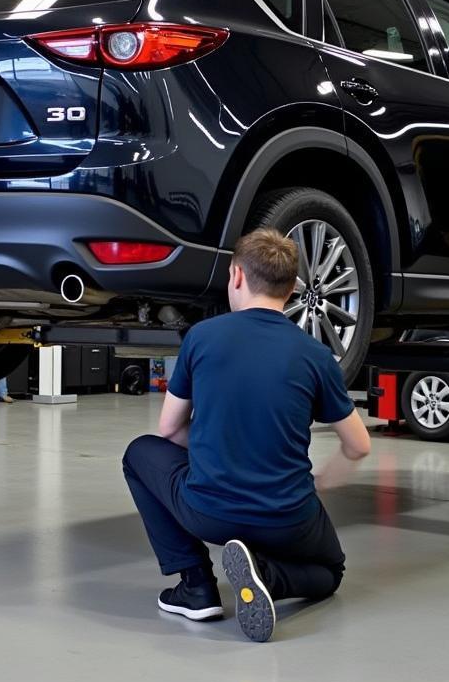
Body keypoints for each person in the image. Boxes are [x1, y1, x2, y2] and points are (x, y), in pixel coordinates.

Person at [122, 228, 371, 643]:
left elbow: (168, 430)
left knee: (139, 454)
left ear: (236, 276)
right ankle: (268, 577)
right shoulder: (315, 355)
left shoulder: (202, 337)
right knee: (330, 573)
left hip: (209, 513)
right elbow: (359, 445)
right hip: (289, 519)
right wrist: (324, 481)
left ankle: (196, 585)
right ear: (292, 289)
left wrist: (213, 451)